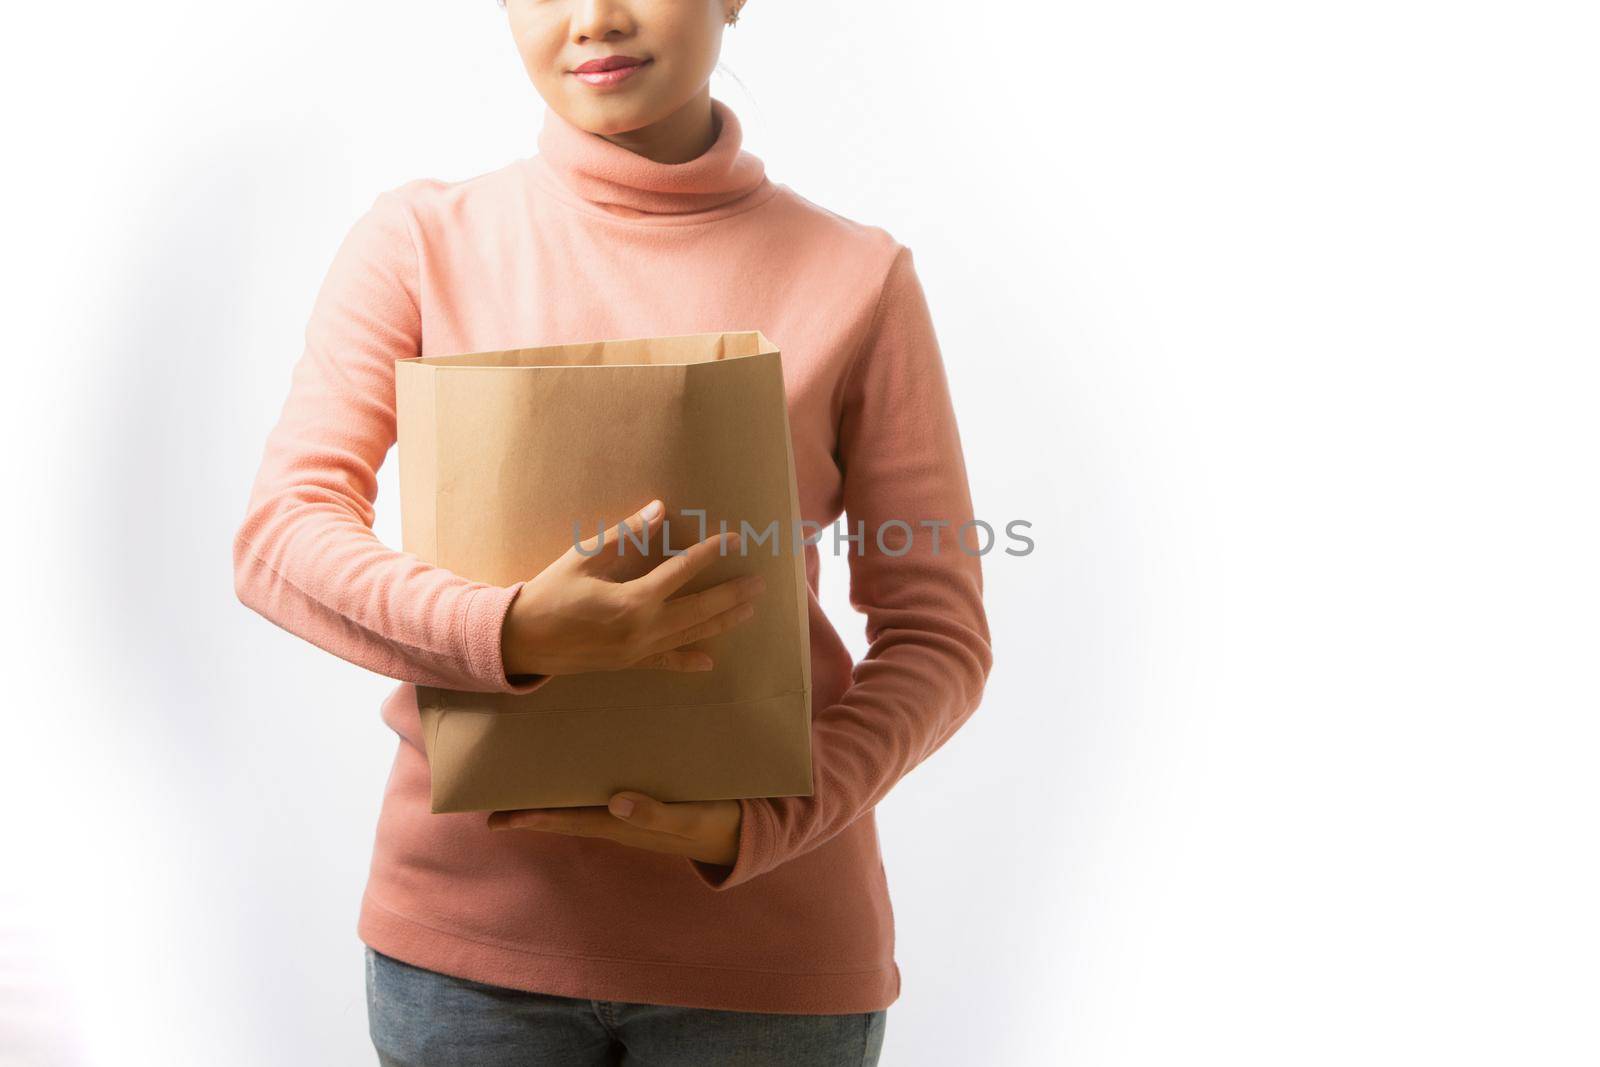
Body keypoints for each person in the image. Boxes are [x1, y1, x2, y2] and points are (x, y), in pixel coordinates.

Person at [232, 1, 994, 1062]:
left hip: (770, 955)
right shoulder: (419, 241)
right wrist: (507, 632)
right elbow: (281, 536)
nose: (594, 17)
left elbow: (939, 635)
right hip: (467, 945)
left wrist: (765, 823)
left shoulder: (858, 275)